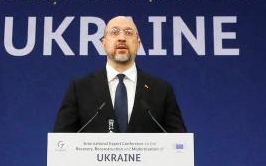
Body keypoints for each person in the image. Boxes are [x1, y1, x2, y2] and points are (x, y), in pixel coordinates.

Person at [52, 15, 188, 133]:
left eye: (129, 33)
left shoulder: (162, 90)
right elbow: (61, 142)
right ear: (103, 43)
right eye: (114, 32)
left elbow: (179, 143)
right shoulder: (80, 88)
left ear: (138, 44)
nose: (122, 38)